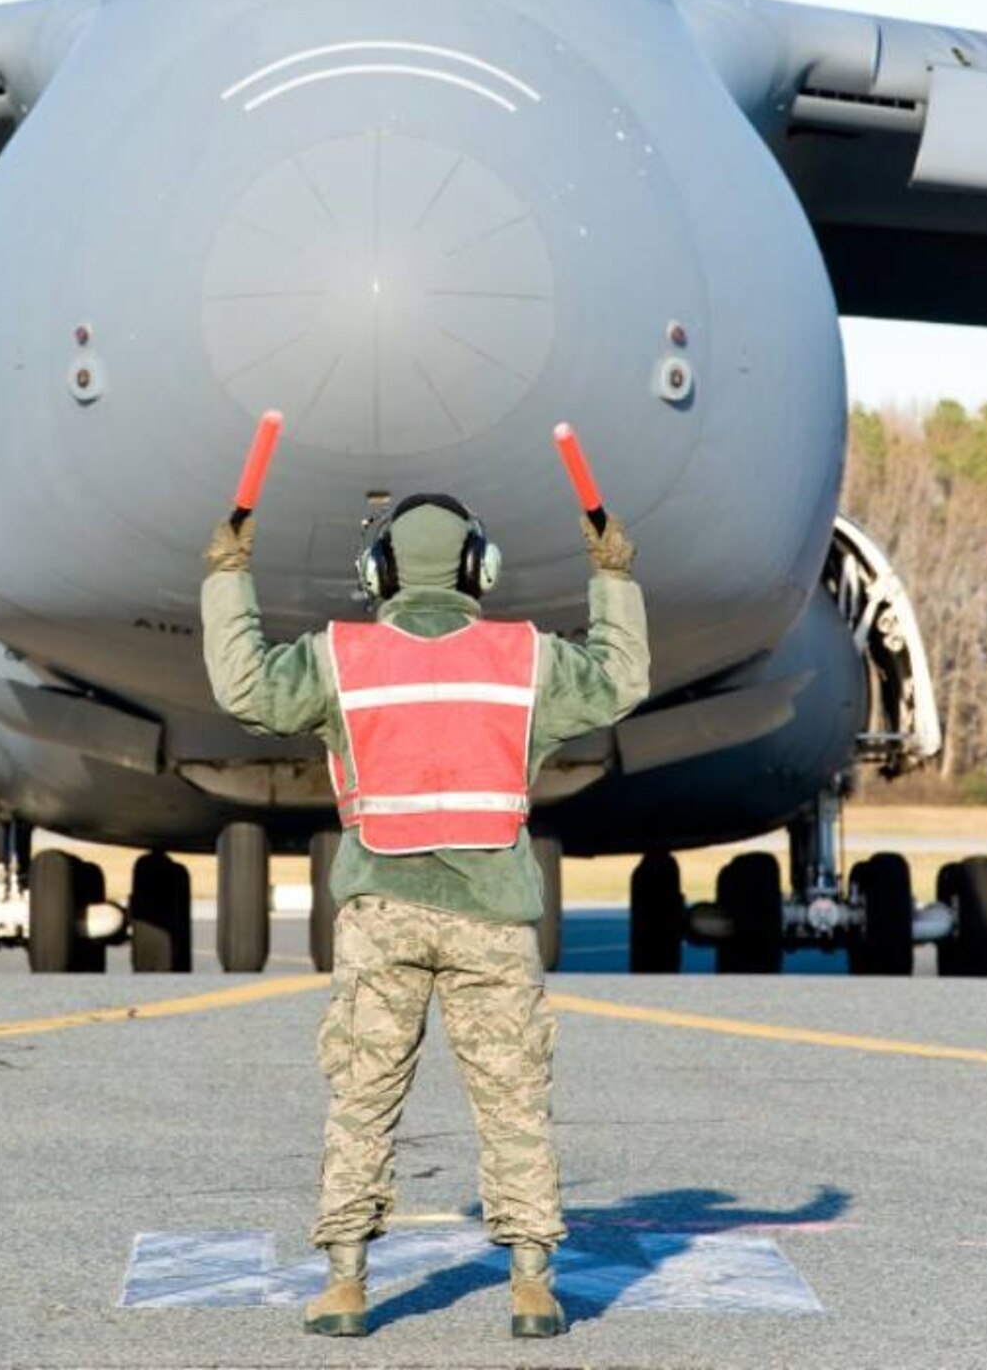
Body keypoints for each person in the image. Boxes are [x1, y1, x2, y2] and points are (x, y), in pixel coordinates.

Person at [201, 490, 650, 1340]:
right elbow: (621, 681)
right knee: (513, 1099)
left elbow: (246, 688)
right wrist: (612, 576)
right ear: (481, 570)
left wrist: (229, 577)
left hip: (383, 912)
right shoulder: (526, 658)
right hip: (493, 918)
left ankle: (344, 1285)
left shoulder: (341, 657)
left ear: (379, 572)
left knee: (362, 1098)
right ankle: (530, 1286)